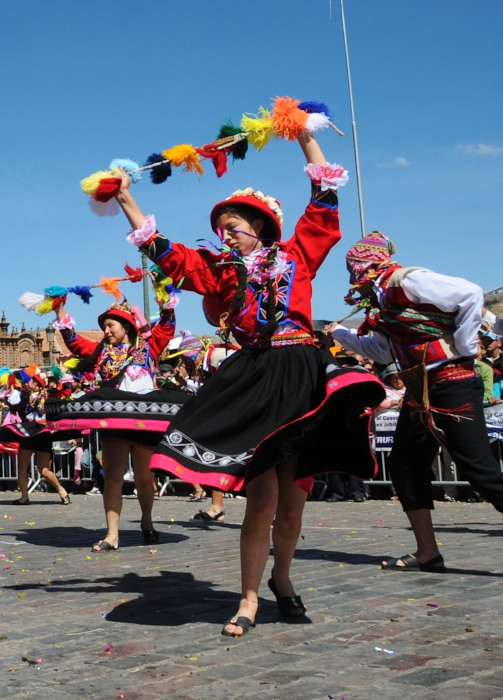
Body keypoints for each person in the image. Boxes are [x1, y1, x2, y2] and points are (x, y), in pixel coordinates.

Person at [117, 131, 384, 637]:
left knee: (293, 502)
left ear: (259, 226)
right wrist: (127, 198)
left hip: (302, 374)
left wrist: (305, 136)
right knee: (261, 501)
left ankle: (282, 579)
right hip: (257, 378)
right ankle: (247, 598)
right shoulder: (222, 272)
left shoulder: (297, 256)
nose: (225, 235)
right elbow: (165, 252)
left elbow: (324, 203)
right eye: (219, 229)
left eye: (233, 226)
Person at [327, 231, 503, 572]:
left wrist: (466, 348)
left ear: (364, 267)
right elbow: (380, 350)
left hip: (453, 383)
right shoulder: (382, 304)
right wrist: (338, 333)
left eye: (353, 271)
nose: (351, 280)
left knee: (480, 470)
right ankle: (428, 552)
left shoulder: (406, 281)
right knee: (405, 465)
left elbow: (469, 294)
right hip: (419, 389)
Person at [46, 295, 185, 551]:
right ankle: (112, 534)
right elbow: (75, 342)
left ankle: (146, 520)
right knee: (113, 478)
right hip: (115, 422)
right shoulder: (101, 351)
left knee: (145, 479)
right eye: (104, 327)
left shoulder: (148, 346)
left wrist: (164, 296)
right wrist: (60, 309)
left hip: (146, 422)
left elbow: (166, 326)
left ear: (126, 327)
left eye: (111, 326)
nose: (107, 331)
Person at [0, 370, 71, 506]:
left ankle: (61, 489)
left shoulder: (49, 396)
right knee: (22, 467)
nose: (28, 383)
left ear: (38, 385)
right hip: (27, 431)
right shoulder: (24, 396)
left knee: (44, 470)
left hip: (42, 432)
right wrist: (8, 390)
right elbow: (13, 404)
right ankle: (24, 497)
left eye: (31, 381)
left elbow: (62, 398)